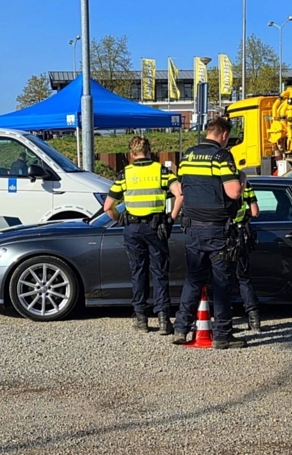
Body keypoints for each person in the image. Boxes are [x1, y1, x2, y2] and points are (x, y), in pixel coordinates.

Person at [173, 117, 245, 349]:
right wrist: (242, 179)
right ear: (224, 135)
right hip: (216, 228)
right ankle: (223, 335)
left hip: (192, 227)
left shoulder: (188, 156)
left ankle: (181, 329)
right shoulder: (221, 156)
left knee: (193, 279)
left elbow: (183, 189)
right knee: (222, 282)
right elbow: (233, 193)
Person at [103, 137, 182, 334]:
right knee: (159, 271)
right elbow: (180, 194)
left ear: (131, 154)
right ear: (150, 151)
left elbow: (107, 207)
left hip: (133, 229)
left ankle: (141, 319)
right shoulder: (160, 171)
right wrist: (171, 219)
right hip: (156, 228)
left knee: (138, 272)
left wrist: (120, 219)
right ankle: (164, 320)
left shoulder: (125, 174)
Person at [232, 173, 261, 334]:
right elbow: (255, 211)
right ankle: (254, 319)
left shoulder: (217, 184)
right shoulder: (245, 184)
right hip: (240, 235)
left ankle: (224, 321)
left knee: (221, 279)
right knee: (243, 278)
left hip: (222, 235)